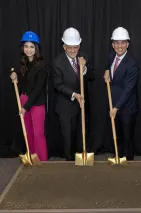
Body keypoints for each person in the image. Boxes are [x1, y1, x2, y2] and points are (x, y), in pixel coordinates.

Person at [52, 27, 95, 161]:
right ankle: (68, 162)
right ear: (64, 46)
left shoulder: (83, 57)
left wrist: (85, 68)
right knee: (68, 138)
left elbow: (92, 76)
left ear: (79, 45)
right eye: (69, 47)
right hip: (66, 105)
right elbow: (58, 85)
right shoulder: (57, 62)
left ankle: (81, 160)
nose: (72, 50)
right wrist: (74, 94)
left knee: (81, 135)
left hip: (81, 105)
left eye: (75, 47)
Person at [10, 31, 48, 161]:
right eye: (26, 46)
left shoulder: (42, 66)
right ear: (23, 47)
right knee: (28, 133)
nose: (29, 49)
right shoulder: (23, 63)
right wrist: (15, 75)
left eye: (32, 46)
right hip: (24, 99)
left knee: (38, 134)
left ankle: (42, 161)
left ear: (36, 48)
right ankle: (32, 158)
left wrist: (26, 107)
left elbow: (38, 90)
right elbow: (22, 81)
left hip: (36, 102)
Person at [103, 27, 139, 160]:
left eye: (123, 42)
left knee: (127, 138)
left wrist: (116, 107)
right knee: (115, 135)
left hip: (126, 108)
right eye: (117, 43)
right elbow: (110, 66)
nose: (120, 46)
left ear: (127, 44)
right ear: (113, 45)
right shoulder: (111, 56)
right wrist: (107, 69)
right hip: (113, 104)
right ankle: (117, 160)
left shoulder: (132, 64)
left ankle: (128, 164)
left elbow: (129, 89)